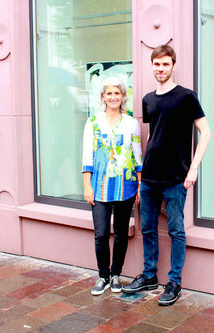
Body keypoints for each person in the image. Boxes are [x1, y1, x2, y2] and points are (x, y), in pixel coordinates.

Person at [122, 45, 211, 306]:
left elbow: (205, 132)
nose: (160, 69)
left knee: (175, 230)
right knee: (147, 228)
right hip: (150, 177)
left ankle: (174, 282)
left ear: (173, 65)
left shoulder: (186, 97)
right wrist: (141, 173)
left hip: (176, 178)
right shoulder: (148, 99)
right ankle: (150, 276)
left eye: (165, 64)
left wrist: (193, 167)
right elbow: (154, 136)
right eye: (156, 64)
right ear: (152, 66)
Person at [82, 77, 143, 296]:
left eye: (117, 93)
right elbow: (87, 156)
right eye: (109, 93)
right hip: (99, 187)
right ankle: (103, 276)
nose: (113, 97)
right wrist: (87, 186)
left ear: (123, 96)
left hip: (125, 187)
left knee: (120, 233)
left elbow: (137, 156)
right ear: (103, 97)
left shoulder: (131, 123)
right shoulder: (93, 122)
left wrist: (139, 185)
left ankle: (116, 275)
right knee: (100, 234)